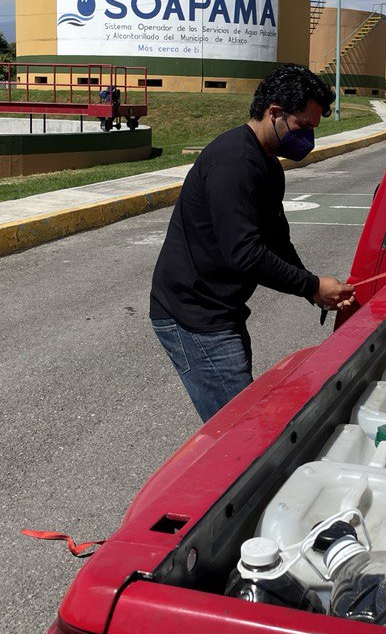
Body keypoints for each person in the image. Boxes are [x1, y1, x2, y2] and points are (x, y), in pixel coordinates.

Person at [150, 64, 357, 421]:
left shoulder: (267, 164)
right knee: (238, 430)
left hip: (221, 310)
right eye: (303, 127)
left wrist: (313, 289)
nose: (308, 139)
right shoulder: (234, 162)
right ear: (273, 112)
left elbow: (276, 238)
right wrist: (310, 285)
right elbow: (244, 254)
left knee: (240, 418)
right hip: (195, 314)